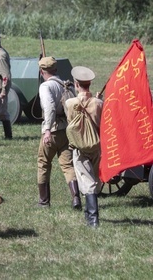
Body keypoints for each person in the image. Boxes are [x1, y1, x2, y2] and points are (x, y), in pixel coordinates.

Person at [36, 56, 81, 209]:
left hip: (53, 130)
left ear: (42, 71)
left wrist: (47, 130)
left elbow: (49, 108)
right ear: (55, 69)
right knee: (68, 166)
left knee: (43, 164)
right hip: (66, 131)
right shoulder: (66, 85)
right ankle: (76, 198)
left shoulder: (45, 86)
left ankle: (44, 201)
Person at [65, 66, 104, 227]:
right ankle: (88, 213)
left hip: (80, 148)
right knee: (94, 180)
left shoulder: (70, 103)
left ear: (76, 84)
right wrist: (97, 99)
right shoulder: (99, 103)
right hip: (96, 146)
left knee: (88, 182)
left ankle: (93, 219)